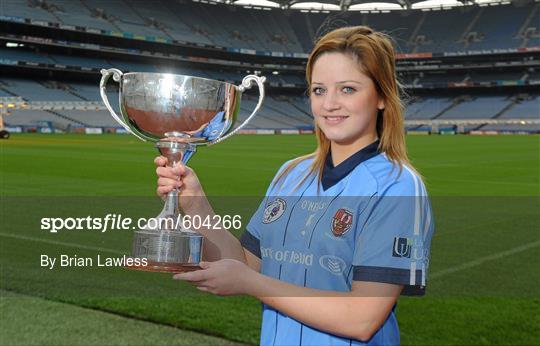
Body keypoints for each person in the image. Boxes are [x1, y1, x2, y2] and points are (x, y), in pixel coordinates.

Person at [155, 25, 434, 346]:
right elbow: (247, 264)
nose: (329, 104)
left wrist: (252, 284)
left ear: (382, 96)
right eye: (319, 90)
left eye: (347, 89)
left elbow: (363, 318)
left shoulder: (397, 187)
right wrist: (197, 206)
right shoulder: (291, 174)